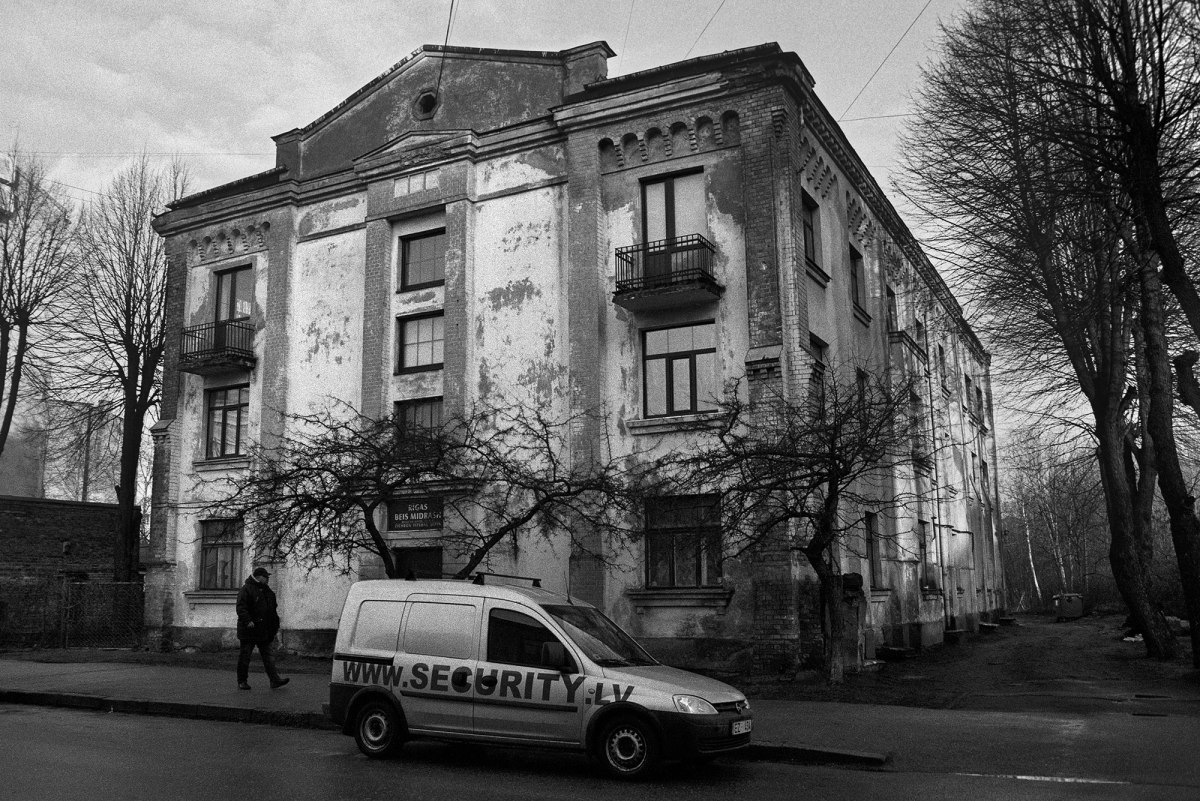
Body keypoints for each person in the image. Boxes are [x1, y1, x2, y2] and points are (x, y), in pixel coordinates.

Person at [235, 566, 289, 690]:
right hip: (249, 630)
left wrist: (274, 624)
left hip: (264, 630)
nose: (268, 579)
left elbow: (272, 609)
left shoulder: (267, 591)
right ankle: (242, 681)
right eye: (266, 577)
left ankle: (275, 680)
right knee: (245, 656)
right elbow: (241, 607)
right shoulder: (247, 589)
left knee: (268, 656)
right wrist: (248, 621)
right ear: (259, 577)